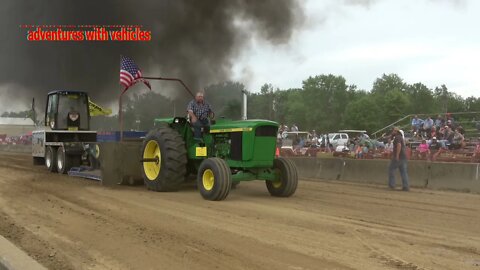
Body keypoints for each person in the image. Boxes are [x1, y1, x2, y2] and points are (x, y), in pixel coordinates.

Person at [388, 127, 409, 191]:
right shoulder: (400, 137)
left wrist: (397, 155)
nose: (392, 132)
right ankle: (405, 186)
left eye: (393, 131)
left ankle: (392, 185)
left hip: (398, 157)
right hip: (403, 157)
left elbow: (399, 145)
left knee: (391, 169)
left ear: (396, 131)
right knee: (403, 172)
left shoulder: (397, 137)